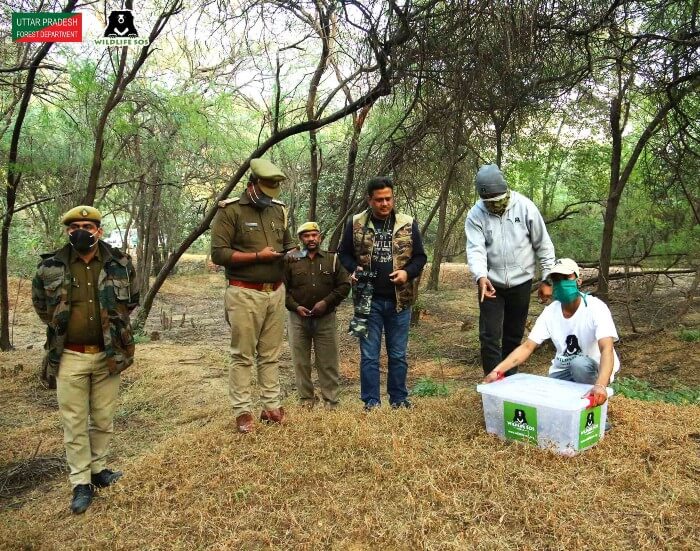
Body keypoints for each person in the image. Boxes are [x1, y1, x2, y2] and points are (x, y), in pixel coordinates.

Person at [31, 205, 139, 514]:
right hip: (69, 356)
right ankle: (80, 482)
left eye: (88, 227)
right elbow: (41, 306)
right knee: (75, 421)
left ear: (99, 231)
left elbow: (131, 300)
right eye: (75, 226)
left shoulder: (120, 262)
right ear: (67, 231)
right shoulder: (50, 267)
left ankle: (98, 469)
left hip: (109, 355)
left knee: (103, 418)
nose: (81, 231)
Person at [210, 158, 297, 434]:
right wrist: (258, 256)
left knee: (270, 354)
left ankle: (271, 406)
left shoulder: (278, 210)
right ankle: (242, 411)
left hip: (275, 292)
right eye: (264, 192)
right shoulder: (230, 211)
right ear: (252, 186)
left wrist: (293, 253)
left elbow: (288, 242)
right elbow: (219, 254)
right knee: (243, 355)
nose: (268, 198)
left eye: (273, 193)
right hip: (244, 292)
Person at [339, 177, 427, 410]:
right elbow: (343, 253)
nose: (384, 203)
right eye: (379, 200)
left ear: (393, 198)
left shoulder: (407, 223)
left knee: (398, 354)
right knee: (369, 355)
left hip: (400, 300)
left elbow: (420, 257)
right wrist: (353, 268)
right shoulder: (356, 223)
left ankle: (398, 399)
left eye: (388, 198)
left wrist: (407, 274)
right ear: (370, 200)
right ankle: (371, 401)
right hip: (368, 301)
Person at [483, 258, 620, 407]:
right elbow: (528, 347)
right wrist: (497, 371)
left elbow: (607, 348)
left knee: (578, 364)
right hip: (562, 371)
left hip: (593, 368)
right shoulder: (551, 312)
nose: (561, 283)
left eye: (566, 278)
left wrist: (600, 385)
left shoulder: (595, 308)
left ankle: (595, 412)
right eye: (556, 279)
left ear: (578, 281)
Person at [465, 163, 556, 377]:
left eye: (498, 200)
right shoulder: (475, 215)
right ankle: (492, 383)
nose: (494, 205)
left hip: (521, 283)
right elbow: (475, 249)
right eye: (489, 202)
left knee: (513, 336)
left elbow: (543, 244)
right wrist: (480, 277)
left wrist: (547, 279)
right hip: (490, 284)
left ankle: (511, 383)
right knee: (489, 336)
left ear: (506, 190)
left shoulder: (525, 207)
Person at [284, 222, 350, 409]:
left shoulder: (333, 259)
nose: (311, 239)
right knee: (300, 362)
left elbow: (344, 285)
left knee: (328, 361)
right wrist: (296, 307)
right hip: (298, 318)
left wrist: (326, 302)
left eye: (314, 235)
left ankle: (331, 401)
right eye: (306, 236)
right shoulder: (291, 259)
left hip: (325, 319)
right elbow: (282, 288)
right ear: (300, 239)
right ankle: (306, 400)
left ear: (320, 237)